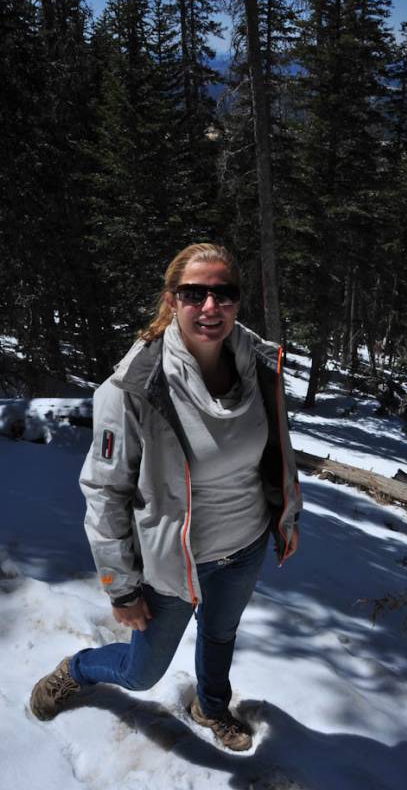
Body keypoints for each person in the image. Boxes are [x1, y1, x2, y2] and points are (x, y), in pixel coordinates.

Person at [30, 243, 301, 752]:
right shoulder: (134, 386)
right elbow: (104, 490)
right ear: (172, 299)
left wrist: (285, 517)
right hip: (172, 565)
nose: (210, 306)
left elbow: (276, 451)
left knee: (221, 635)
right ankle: (77, 669)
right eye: (194, 293)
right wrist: (120, 587)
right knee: (141, 672)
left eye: (224, 293)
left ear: (238, 301)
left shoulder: (258, 364)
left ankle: (211, 705)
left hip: (243, 546)